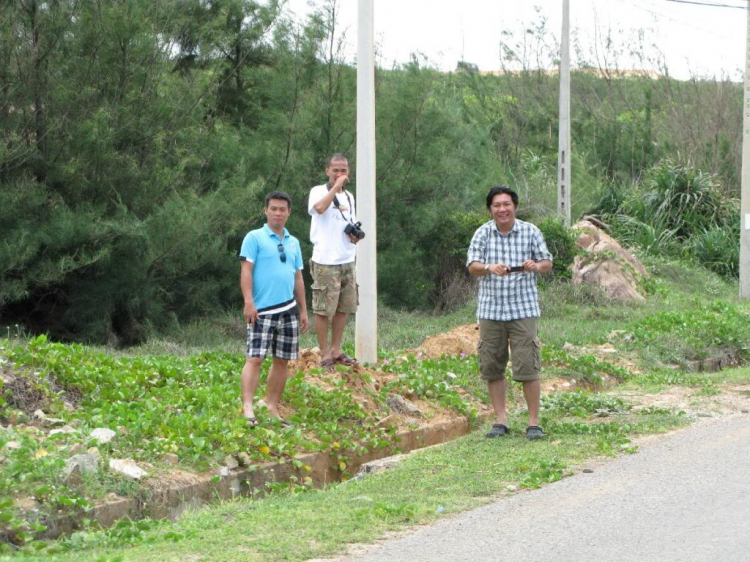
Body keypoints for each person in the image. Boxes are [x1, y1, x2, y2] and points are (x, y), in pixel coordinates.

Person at [467, 185, 553, 440]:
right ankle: (501, 420)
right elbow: (472, 265)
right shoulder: (482, 233)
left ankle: (534, 422)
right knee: (492, 366)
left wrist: (534, 265)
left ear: (515, 206)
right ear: (490, 209)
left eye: (506, 204)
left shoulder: (530, 231)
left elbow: (547, 262)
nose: (502, 209)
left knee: (528, 365)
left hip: (523, 308)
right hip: (491, 310)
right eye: (497, 205)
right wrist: (489, 268)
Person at [239, 191, 308, 427]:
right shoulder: (254, 237)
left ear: (288, 212)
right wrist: (249, 302)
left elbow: (298, 277)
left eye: (282, 209)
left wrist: (303, 310)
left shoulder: (294, 242)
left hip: (288, 309)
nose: (278, 213)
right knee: (255, 358)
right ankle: (248, 407)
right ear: (266, 210)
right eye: (273, 208)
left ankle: (271, 406)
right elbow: (246, 271)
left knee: (282, 360)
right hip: (262, 309)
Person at [308, 153, 360, 370]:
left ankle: (336, 350)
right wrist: (335, 187)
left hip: (347, 258)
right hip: (325, 260)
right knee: (323, 309)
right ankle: (324, 353)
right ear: (327, 171)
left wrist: (354, 236)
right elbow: (319, 209)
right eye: (336, 170)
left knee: (343, 307)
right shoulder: (318, 191)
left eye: (344, 171)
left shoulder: (349, 197)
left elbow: (350, 222)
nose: (340, 174)